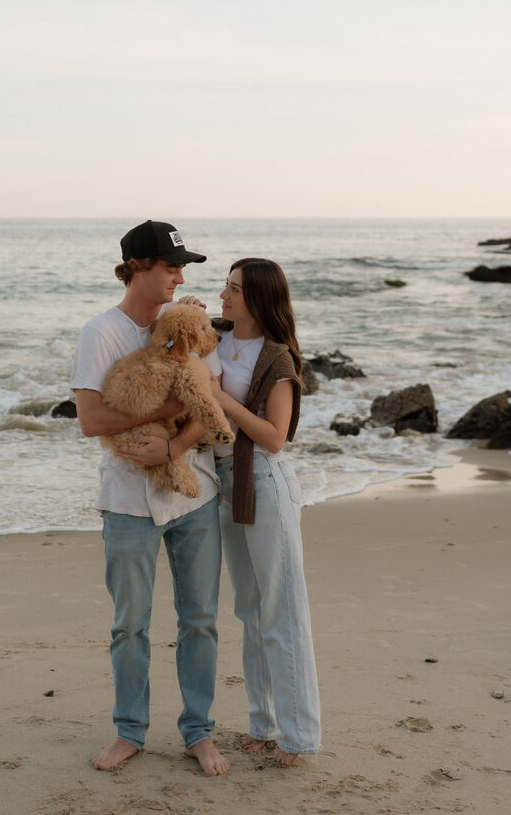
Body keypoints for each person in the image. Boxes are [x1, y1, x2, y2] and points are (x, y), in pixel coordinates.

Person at [70, 219, 230, 777]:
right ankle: (129, 731)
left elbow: (209, 404)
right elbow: (91, 419)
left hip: (196, 495)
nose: (179, 277)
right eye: (170, 267)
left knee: (201, 620)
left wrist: (173, 445)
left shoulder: (187, 326)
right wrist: (164, 413)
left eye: (181, 267)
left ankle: (198, 733)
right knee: (129, 623)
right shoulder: (101, 333)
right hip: (128, 501)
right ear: (137, 268)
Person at [210, 258, 321, 767]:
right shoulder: (214, 339)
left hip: (264, 485)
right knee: (250, 611)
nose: (224, 295)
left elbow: (275, 439)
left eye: (233, 289)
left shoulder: (276, 358)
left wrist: (223, 404)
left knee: (282, 614)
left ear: (257, 299)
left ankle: (299, 737)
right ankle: (263, 723)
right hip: (226, 486)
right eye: (225, 286)